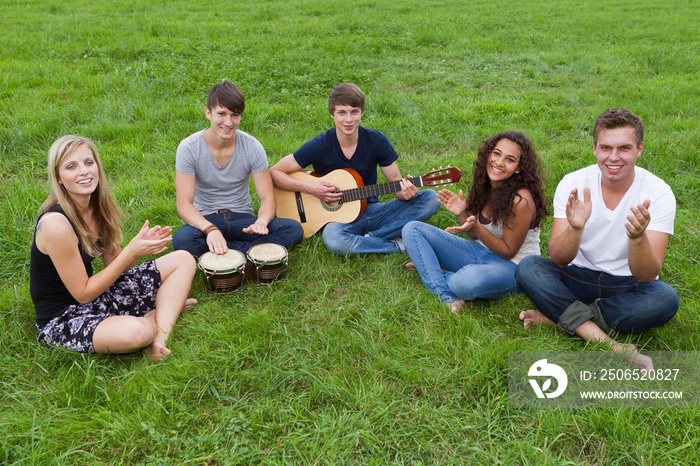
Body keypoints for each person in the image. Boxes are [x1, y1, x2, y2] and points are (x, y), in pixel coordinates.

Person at [515, 109, 679, 367]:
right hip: (577, 276)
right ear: (594, 148)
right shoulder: (573, 183)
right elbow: (558, 258)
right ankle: (608, 343)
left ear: (639, 149)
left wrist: (637, 238)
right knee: (529, 267)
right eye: (606, 147)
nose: (614, 157)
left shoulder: (658, 193)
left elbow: (646, 276)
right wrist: (575, 227)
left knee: (665, 298)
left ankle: (563, 318)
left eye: (624, 148)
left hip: (626, 285)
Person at [30, 135, 198, 362]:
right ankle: (158, 314)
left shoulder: (96, 206)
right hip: (64, 316)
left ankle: (160, 338)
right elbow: (83, 293)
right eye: (71, 166)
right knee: (138, 333)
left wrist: (139, 248)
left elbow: (115, 267)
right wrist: (132, 251)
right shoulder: (55, 225)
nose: (84, 171)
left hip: (98, 299)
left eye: (89, 163)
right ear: (58, 177)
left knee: (184, 259)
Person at [270, 82, 440, 255]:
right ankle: (396, 245)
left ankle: (370, 238)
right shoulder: (320, 145)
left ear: (361, 112)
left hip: (373, 210)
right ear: (332, 114)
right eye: (342, 112)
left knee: (431, 198)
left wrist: (406, 192)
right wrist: (311, 188)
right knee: (333, 239)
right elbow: (274, 173)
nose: (349, 119)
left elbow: (396, 186)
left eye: (354, 112)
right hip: (338, 219)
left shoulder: (377, 141)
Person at [402, 131, 548, 314]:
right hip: (479, 251)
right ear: (488, 154)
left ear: (519, 167)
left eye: (510, 159)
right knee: (412, 229)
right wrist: (462, 213)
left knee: (464, 282)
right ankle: (444, 292)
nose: (499, 162)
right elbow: (473, 234)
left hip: (513, 267)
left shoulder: (521, 200)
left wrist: (477, 227)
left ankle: (431, 271)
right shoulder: (486, 183)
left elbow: (509, 251)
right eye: (496, 153)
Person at [172, 81, 303, 259]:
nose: (228, 122)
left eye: (234, 115)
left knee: (293, 229)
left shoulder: (252, 146)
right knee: (182, 239)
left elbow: (267, 198)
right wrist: (210, 230)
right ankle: (251, 253)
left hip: (242, 219)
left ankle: (228, 254)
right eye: (222, 113)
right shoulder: (189, 147)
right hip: (207, 219)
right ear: (208, 113)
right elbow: (184, 205)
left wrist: (261, 222)